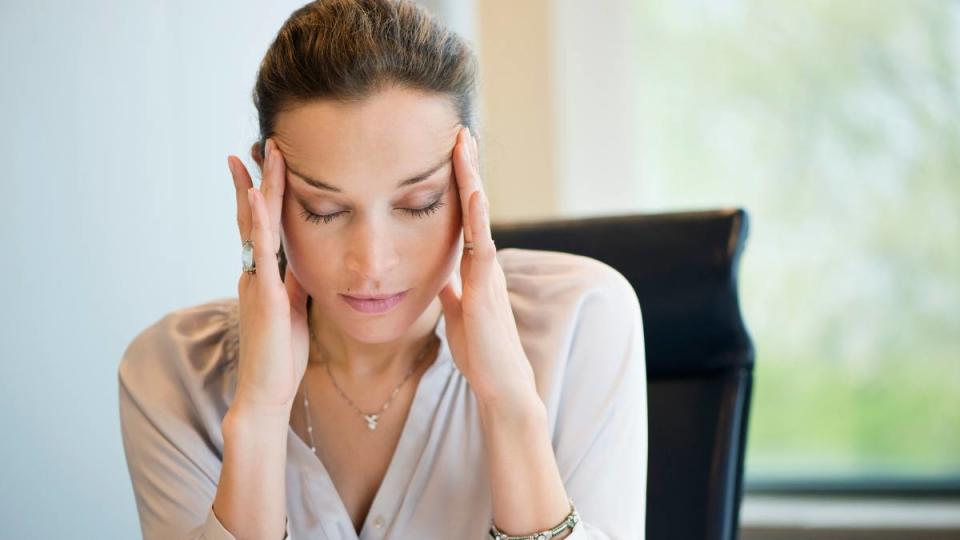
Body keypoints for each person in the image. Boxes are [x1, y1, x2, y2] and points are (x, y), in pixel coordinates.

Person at [117, 1, 648, 538]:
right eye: (323, 210)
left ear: (469, 180)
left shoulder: (581, 320)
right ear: (265, 191)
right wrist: (258, 414)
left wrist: (509, 405)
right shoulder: (175, 372)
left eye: (418, 204)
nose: (372, 263)